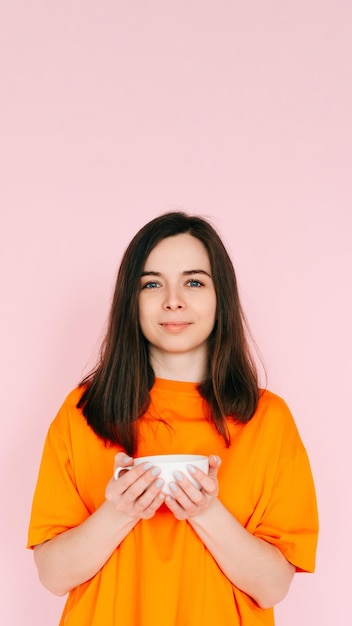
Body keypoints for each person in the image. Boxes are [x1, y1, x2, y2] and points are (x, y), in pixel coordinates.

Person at [27, 211, 318, 626]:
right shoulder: (83, 412)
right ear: (132, 299)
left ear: (222, 298)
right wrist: (119, 510)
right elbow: (54, 576)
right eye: (152, 283)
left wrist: (206, 511)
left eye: (194, 281)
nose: (173, 300)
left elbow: (273, 587)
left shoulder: (267, 419)